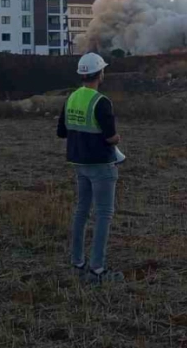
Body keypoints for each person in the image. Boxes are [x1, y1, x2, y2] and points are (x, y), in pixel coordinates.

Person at [57, 52, 124, 283]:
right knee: (104, 214)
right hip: (101, 165)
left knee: (81, 211)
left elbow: (62, 132)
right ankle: (97, 269)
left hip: (79, 163)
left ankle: (77, 262)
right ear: (100, 73)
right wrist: (116, 138)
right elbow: (110, 137)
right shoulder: (101, 102)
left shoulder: (71, 98)